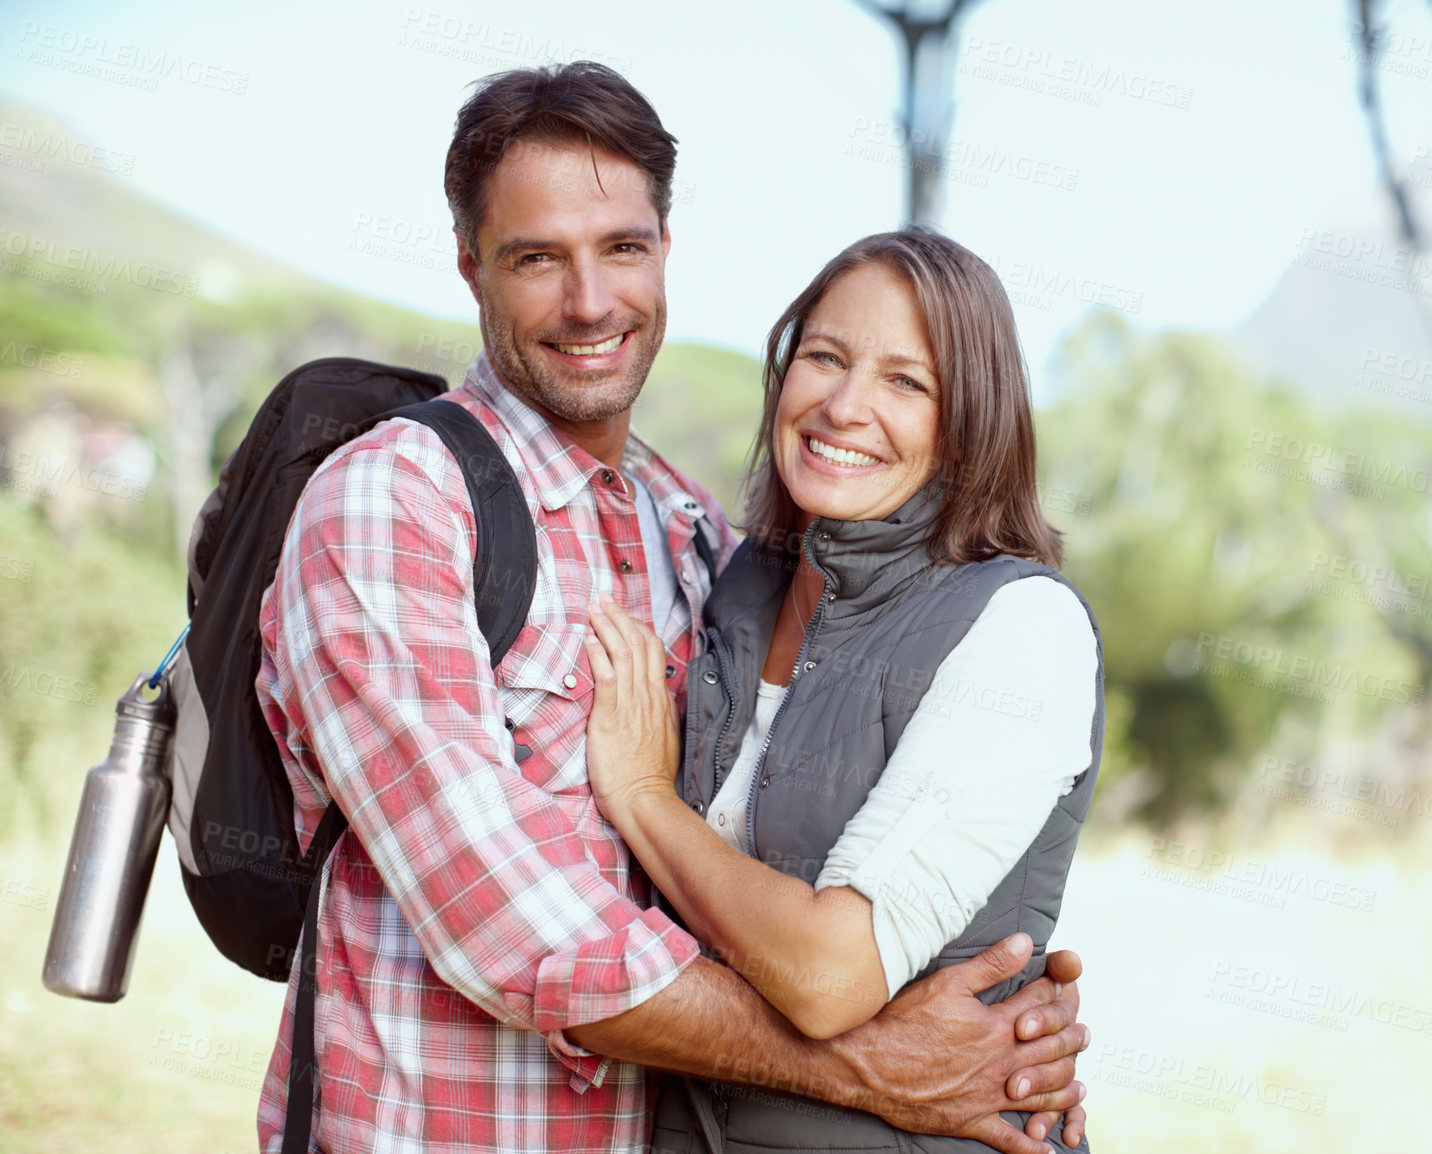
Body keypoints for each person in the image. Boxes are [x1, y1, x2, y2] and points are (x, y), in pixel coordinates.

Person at [253, 62, 1088, 1154]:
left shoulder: (694, 534)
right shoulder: (393, 502)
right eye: (537, 257)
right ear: (470, 267)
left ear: (664, 251)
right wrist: (871, 1066)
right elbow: (505, 928)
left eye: (622, 249)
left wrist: (1005, 1018)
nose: (591, 301)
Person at [582, 228, 1102, 1152]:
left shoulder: (1024, 629)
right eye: (824, 357)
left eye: (908, 381)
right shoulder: (736, 587)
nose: (846, 405)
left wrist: (642, 799)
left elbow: (827, 974)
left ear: (970, 421)